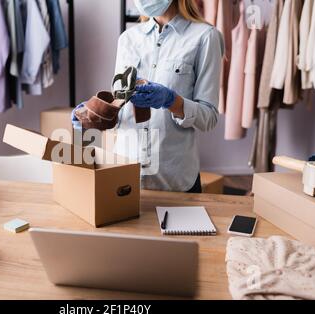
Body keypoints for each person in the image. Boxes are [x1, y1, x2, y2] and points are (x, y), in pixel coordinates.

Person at [73, 0, 224, 193]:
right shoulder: (127, 39)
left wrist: (172, 101)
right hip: (123, 174)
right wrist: (96, 116)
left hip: (175, 179)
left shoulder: (205, 37)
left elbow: (209, 118)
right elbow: (121, 112)